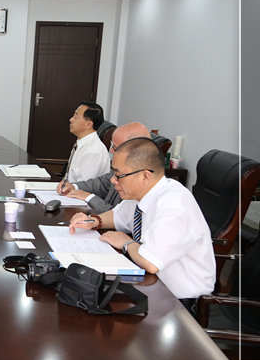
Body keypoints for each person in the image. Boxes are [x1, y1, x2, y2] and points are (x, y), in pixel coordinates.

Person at [69, 138, 215, 312]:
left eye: (119, 175)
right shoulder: (144, 193)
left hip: (180, 302)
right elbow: (117, 216)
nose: (113, 181)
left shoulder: (174, 205)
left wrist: (126, 242)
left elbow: (150, 261)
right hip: (151, 284)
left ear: (145, 175)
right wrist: (94, 221)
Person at [56, 122, 150, 213]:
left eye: (115, 147)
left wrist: (89, 197)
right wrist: (74, 186)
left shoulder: (142, 180)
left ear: (134, 150)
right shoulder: (124, 167)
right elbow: (102, 183)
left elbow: (119, 216)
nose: (111, 151)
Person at [63, 101, 110, 184]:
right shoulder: (82, 142)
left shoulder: (93, 151)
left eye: (75, 117)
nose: (71, 120)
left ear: (88, 125)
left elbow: (84, 187)